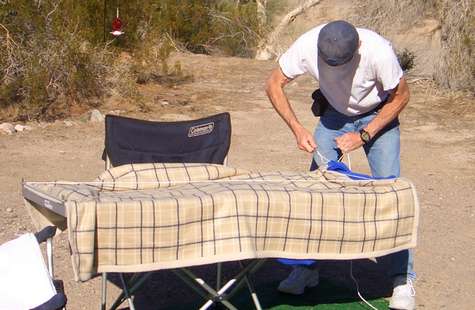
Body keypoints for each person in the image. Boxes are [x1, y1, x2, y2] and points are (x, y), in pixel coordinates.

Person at [265, 20, 416, 310]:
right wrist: (297, 128)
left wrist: (364, 134)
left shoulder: (378, 51)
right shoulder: (308, 44)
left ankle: (402, 278)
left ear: (357, 48)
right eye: (328, 63)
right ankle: (307, 269)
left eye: (341, 63)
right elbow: (273, 84)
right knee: (317, 190)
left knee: (389, 192)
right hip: (334, 115)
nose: (334, 69)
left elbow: (402, 96)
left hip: (379, 115)